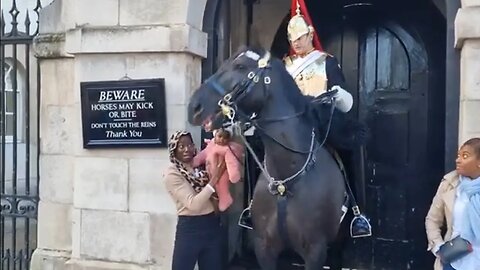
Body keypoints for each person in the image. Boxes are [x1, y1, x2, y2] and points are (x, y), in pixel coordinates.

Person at [280, 0, 371, 238]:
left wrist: (337, 95)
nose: (296, 43)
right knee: (257, 148)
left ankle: (357, 211)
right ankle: (251, 206)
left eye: (300, 37)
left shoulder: (326, 62)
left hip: (321, 122)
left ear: (310, 34)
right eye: (292, 39)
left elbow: (345, 98)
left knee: (349, 152)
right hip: (290, 125)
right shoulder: (284, 66)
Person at [163, 130, 225, 270]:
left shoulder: (200, 166)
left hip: (211, 225)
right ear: (174, 149)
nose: (187, 149)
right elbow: (193, 204)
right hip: (190, 229)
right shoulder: (172, 173)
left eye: (190, 145)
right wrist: (214, 179)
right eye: (181, 146)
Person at [425, 137, 480, 270]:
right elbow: (432, 220)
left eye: (465, 156)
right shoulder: (449, 184)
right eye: (458, 155)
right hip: (454, 262)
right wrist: (439, 247)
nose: (458, 160)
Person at [193, 128, 244, 211]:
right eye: (219, 136)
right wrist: (194, 161)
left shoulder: (228, 149)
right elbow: (203, 154)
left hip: (222, 174)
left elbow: (231, 162)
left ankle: (225, 199)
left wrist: (233, 175)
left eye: (225, 138)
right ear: (215, 136)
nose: (222, 140)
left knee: (222, 186)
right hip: (210, 172)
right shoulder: (211, 146)